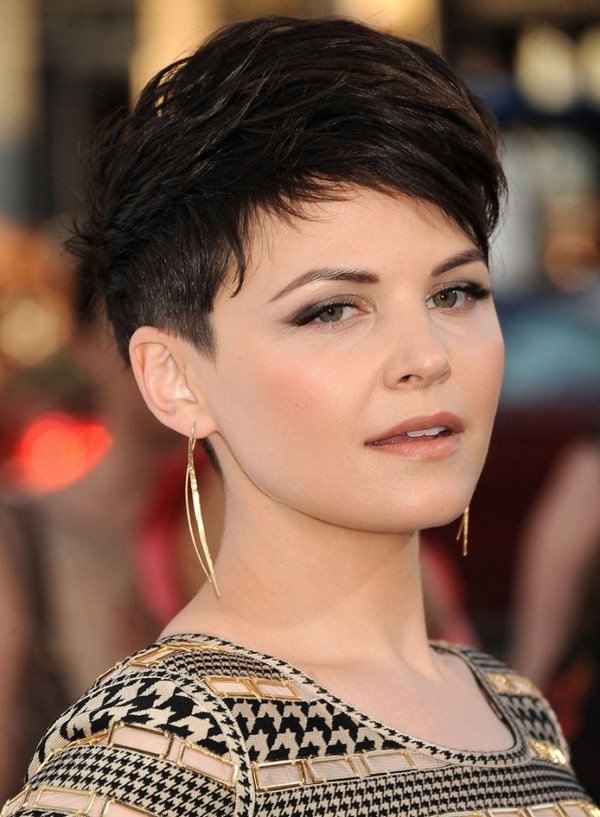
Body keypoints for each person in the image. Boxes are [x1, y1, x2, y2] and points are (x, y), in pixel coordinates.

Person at [2, 16, 594, 817]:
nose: (426, 356)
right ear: (174, 379)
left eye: (455, 292)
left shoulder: (515, 709)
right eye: (332, 310)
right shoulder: (158, 756)